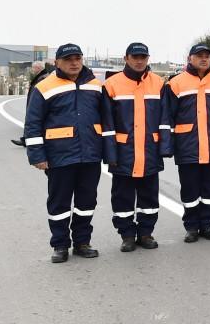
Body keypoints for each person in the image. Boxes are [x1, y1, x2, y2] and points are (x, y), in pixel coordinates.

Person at [24, 43, 116, 263]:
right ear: (57, 62)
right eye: (68, 60)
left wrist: (109, 153)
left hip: (90, 155)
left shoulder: (96, 86)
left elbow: (107, 121)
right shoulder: (44, 87)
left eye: (77, 59)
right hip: (59, 156)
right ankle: (60, 245)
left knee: (87, 202)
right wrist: (37, 155)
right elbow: (33, 124)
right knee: (59, 204)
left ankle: (82, 242)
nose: (74, 63)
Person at [104, 42, 171, 252]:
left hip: (150, 150)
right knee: (122, 197)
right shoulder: (112, 84)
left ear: (148, 58)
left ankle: (145, 233)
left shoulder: (158, 83)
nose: (139, 61)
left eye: (143, 57)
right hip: (123, 152)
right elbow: (107, 124)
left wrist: (165, 147)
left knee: (149, 197)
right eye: (135, 57)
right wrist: (110, 153)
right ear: (126, 58)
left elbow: (165, 119)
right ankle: (126, 235)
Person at [162, 44, 210, 243]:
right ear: (190, 58)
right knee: (190, 189)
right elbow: (168, 117)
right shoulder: (175, 83)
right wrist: (168, 145)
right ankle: (191, 227)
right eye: (199, 55)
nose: (203, 59)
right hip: (187, 145)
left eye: (207, 56)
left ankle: (208, 225)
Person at [11, 60, 52, 147]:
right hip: (35, 102)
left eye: (33, 68)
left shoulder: (42, 77)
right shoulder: (41, 76)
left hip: (37, 103)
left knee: (33, 121)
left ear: (38, 68)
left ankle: (28, 141)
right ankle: (25, 140)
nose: (32, 70)